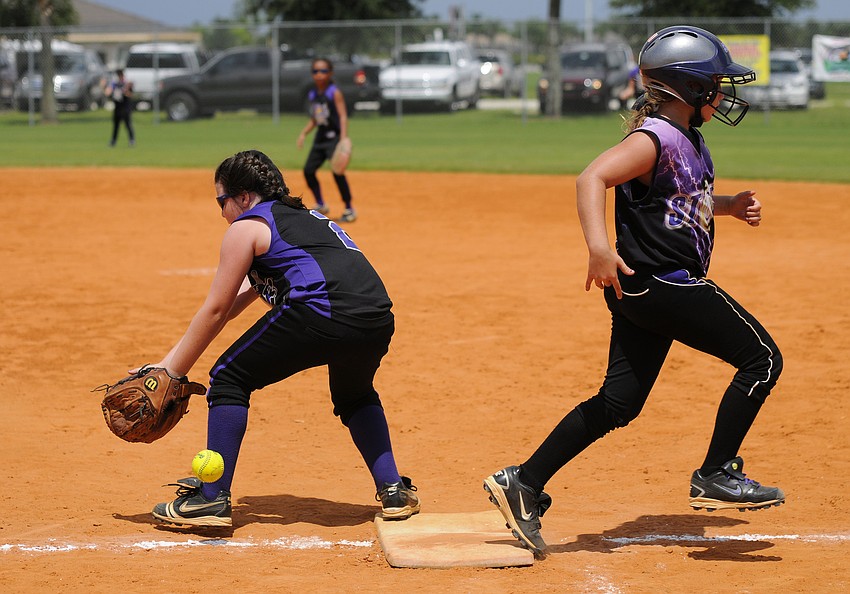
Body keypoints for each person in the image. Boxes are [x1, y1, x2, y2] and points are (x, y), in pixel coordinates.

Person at [483, 26, 785, 559]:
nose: (722, 93)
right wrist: (598, 248)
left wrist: (729, 204)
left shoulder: (686, 139)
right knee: (762, 360)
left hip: (642, 292)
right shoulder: (653, 139)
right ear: (686, 88)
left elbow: (678, 199)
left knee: (617, 403)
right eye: (714, 83)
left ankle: (523, 482)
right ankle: (715, 472)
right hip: (665, 284)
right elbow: (590, 178)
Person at [146, 149, 419, 527]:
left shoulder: (246, 227)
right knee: (354, 394)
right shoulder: (303, 220)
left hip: (323, 309)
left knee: (228, 377)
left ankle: (212, 499)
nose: (221, 212)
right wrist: (165, 364)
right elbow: (237, 302)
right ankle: (394, 491)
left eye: (221, 201)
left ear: (243, 197)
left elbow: (214, 310)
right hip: (376, 316)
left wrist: (174, 374)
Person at [296, 58, 357, 223]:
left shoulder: (333, 92)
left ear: (330, 73)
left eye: (323, 71)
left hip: (334, 138)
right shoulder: (313, 94)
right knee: (308, 170)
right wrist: (304, 133)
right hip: (320, 137)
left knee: (338, 172)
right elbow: (317, 118)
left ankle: (349, 207)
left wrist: (343, 139)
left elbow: (343, 116)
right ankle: (321, 204)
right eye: (315, 71)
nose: (319, 74)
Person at [105, 69, 135, 147]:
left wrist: (125, 91)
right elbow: (107, 93)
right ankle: (113, 141)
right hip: (117, 108)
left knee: (128, 125)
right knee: (116, 126)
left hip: (125, 108)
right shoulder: (115, 84)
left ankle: (132, 140)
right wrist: (105, 86)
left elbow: (130, 95)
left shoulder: (126, 84)